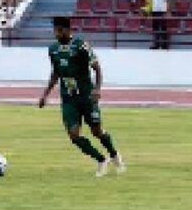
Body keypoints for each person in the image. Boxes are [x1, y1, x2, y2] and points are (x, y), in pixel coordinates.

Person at [36, 17, 125, 177]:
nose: (56, 34)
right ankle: (101, 160)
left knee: (97, 131)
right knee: (74, 135)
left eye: (59, 30)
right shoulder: (53, 49)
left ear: (68, 30)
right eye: (55, 30)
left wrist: (97, 89)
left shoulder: (81, 46)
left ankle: (114, 154)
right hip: (68, 99)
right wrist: (45, 94)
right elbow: (55, 73)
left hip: (86, 97)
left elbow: (97, 68)